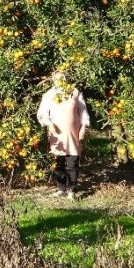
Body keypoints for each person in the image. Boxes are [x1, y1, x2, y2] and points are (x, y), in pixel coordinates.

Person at [36, 71, 90, 199]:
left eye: (63, 78)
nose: (60, 80)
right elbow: (42, 113)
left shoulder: (75, 92)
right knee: (59, 162)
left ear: (66, 79)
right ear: (53, 80)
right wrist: (49, 124)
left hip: (73, 133)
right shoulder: (49, 95)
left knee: (72, 162)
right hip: (57, 134)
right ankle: (60, 188)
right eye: (57, 78)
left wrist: (83, 128)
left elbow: (83, 113)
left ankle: (71, 190)